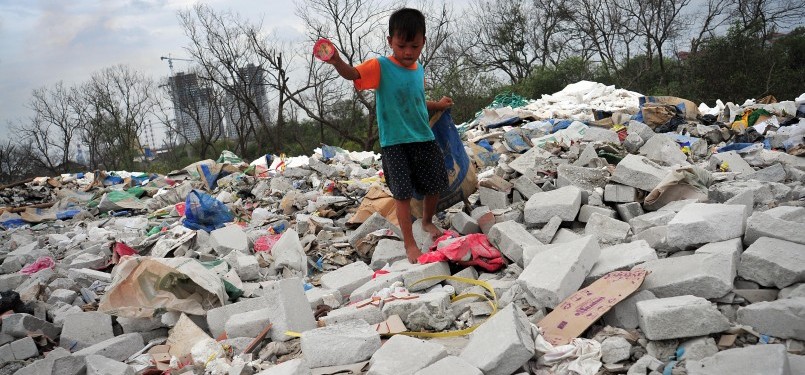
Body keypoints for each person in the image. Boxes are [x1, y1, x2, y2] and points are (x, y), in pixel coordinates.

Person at [323, 7, 453, 263]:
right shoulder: (380, 66)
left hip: (423, 137)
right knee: (402, 195)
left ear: (423, 43)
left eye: (414, 46)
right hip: (395, 143)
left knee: (435, 183)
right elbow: (353, 74)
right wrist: (337, 61)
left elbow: (417, 100)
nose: (407, 52)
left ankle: (427, 221)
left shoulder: (418, 69)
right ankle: (409, 244)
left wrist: (437, 105)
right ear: (390, 41)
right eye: (401, 45)